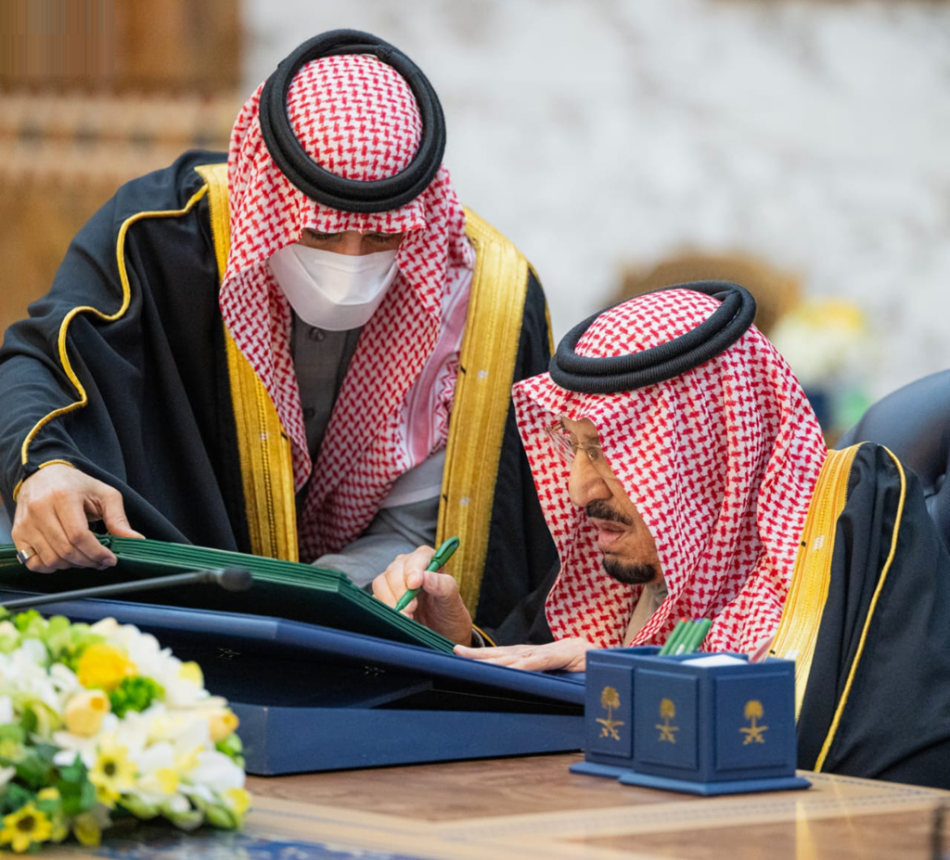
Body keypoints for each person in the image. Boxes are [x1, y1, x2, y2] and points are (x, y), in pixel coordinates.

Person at [0, 29, 556, 629]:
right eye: (320, 233)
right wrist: (44, 467)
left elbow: (418, 528)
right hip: (164, 614)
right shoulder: (160, 237)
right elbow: (42, 359)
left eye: (381, 237)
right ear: (268, 200)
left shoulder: (477, 295)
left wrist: (316, 605)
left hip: (362, 637)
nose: (349, 263)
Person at [374, 282, 950, 787]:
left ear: (707, 447)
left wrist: (638, 685)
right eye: (573, 447)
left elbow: (894, 775)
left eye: (605, 450)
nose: (578, 491)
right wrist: (462, 646)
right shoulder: (614, 550)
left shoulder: (851, 524)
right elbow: (538, 688)